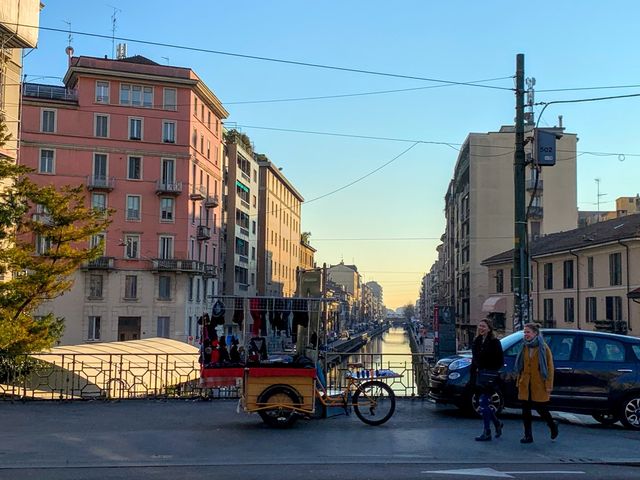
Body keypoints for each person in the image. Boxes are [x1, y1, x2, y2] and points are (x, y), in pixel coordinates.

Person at [515, 322, 558, 444]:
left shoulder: (543, 348)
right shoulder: (524, 347)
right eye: (525, 332)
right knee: (525, 411)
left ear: (535, 333)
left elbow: (549, 368)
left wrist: (548, 385)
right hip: (525, 383)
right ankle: (528, 435)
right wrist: (519, 381)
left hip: (539, 383)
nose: (526, 335)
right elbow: (521, 366)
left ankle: (552, 424)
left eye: (528, 332)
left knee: (541, 409)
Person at [471, 318, 504, 441]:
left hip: (490, 376)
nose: (481, 328)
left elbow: (500, 360)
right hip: (480, 376)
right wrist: (473, 377)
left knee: (483, 402)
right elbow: (475, 360)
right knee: (484, 403)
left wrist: (491, 371)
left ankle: (487, 432)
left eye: (483, 326)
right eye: (479, 326)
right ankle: (497, 423)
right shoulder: (477, 341)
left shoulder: (495, 342)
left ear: (489, 328)